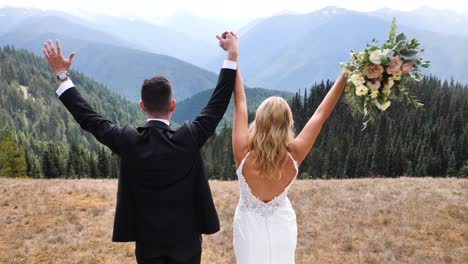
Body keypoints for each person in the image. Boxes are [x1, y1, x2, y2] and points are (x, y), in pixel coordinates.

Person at [42, 31, 239, 264]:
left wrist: (62, 75)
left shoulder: (128, 141)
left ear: (142, 106)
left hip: (148, 244)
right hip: (187, 242)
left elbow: (89, 118)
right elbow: (218, 103)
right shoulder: (189, 138)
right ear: (173, 105)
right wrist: (232, 54)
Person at [230, 64, 347, 263]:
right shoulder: (294, 154)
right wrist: (345, 74)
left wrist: (233, 58)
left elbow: (240, 102)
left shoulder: (243, 154)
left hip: (248, 229)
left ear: (258, 120)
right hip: (282, 226)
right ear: (287, 123)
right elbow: (321, 113)